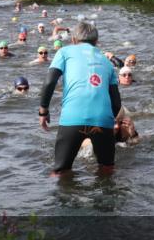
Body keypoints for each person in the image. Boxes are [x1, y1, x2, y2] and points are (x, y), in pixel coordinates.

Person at [37, 21, 123, 176]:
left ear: (74, 40)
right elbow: (116, 102)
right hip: (102, 120)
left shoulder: (64, 52)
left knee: (60, 171)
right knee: (107, 170)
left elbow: (50, 82)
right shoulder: (107, 62)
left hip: (72, 118)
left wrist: (43, 111)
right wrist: (109, 122)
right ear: (96, 42)